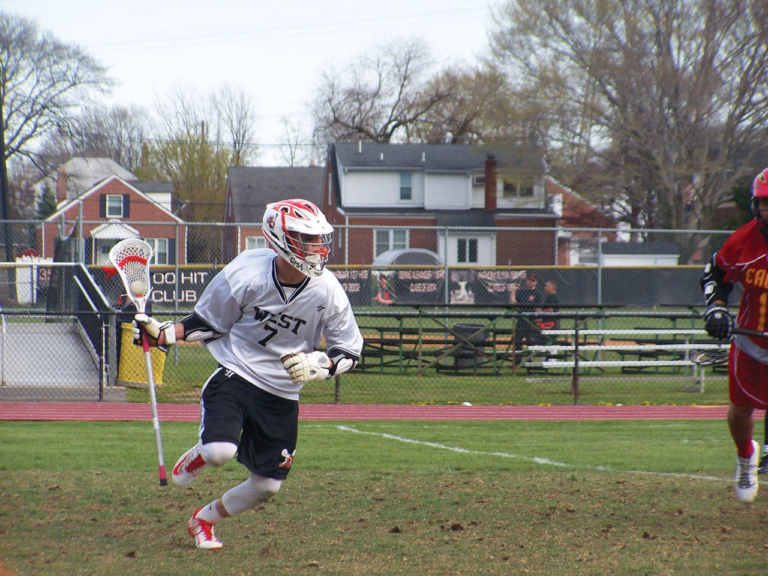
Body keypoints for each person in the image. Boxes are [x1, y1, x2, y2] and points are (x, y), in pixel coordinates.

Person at [133, 198, 364, 549]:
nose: (318, 248)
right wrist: (164, 333)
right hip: (237, 374)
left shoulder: (328, 289)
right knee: (219, 453)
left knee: (267, 487)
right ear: (280, 238)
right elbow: (208, 324)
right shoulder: (246, 271)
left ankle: (203, 520)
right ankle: (201, 451)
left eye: (320, 239)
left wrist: (322, 365)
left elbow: (349, 349)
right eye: (307, 238)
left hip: (283, 392)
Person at [700, 167, 768, 503]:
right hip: (751, 343)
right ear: (757, 206)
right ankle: (746, 457)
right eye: (767, 204)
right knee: (740, 410)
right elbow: (715, 273)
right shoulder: (742, 241)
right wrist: (716, 308)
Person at [510, 272, 544, 363]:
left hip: (531, 321)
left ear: (536, 282)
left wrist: (537, 319)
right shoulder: (522, 292)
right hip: (521, 320)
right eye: (529, 280)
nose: (531, 282)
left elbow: (538, 309)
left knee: (530, 341)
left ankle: (530, 360)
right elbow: (514, 304)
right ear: (526, 280)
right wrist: (514, 291)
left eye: (533, 280)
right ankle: (517, 360)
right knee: (517, 341)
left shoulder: (537, 293)